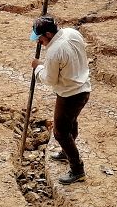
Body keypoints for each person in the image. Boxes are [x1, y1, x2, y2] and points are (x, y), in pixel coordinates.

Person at [30, 15, 91, 184]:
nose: (39, 42)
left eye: (40, 39)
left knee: (60, 132)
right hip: (83, 88)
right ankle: (67, 151)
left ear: (48, 34)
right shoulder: (72, 33)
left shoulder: (54, 51)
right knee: (70, 122)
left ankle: (77, 169)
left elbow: (49, 79)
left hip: (70, 94)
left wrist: (38, 67)